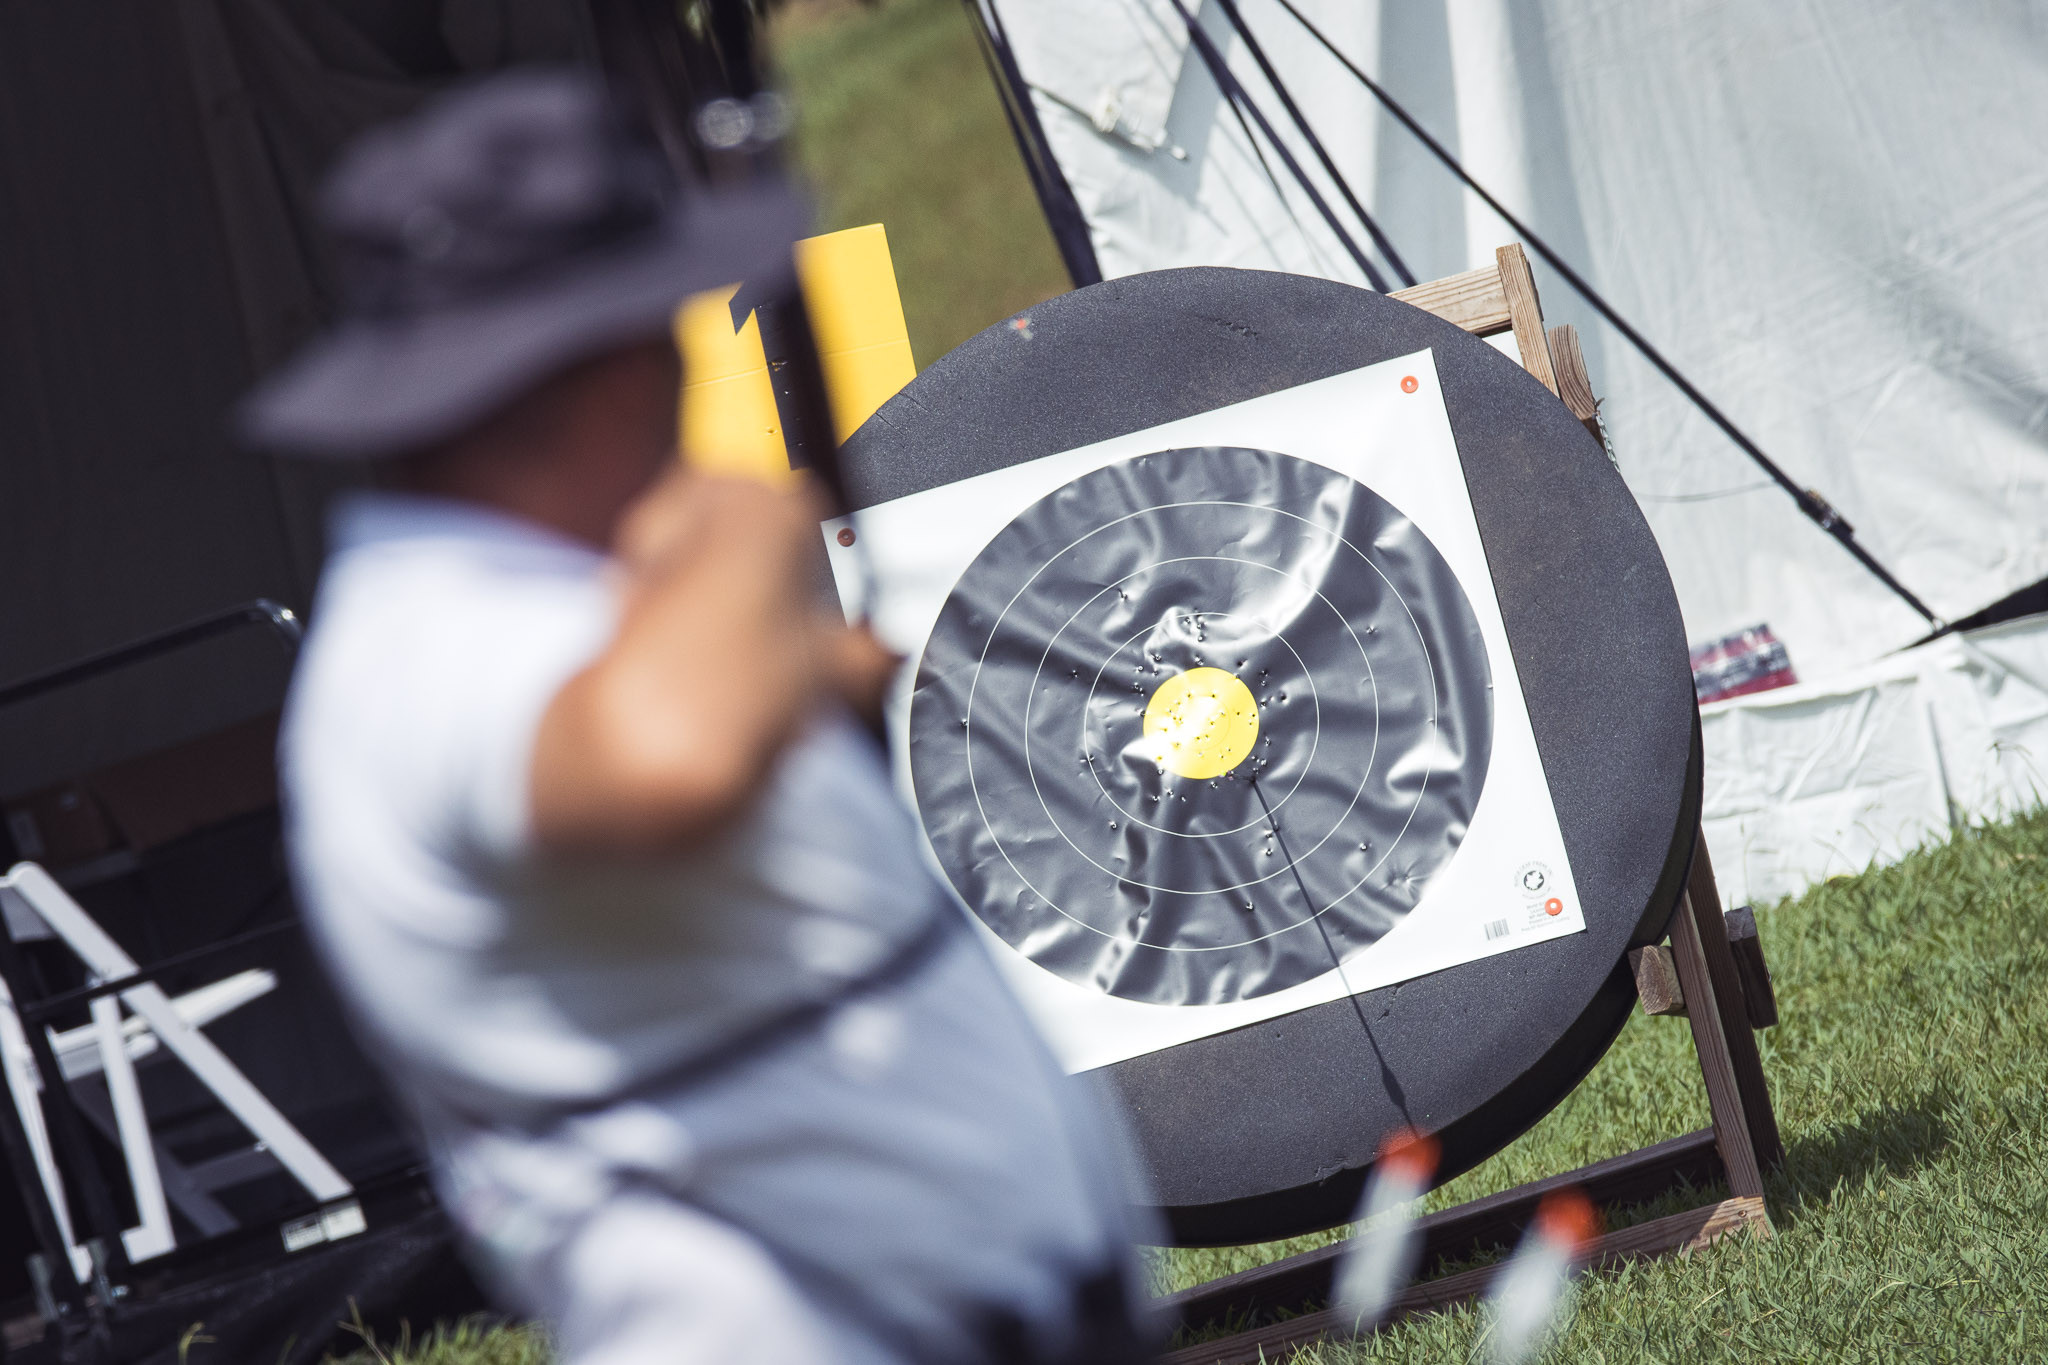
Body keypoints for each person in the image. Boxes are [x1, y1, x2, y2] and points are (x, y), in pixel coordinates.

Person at [244, 70, 1155, 1365]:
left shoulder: (544, 605)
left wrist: (794, 665)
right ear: (607, 361)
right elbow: (672, 755)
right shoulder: (427, 639)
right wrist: (755, 512)